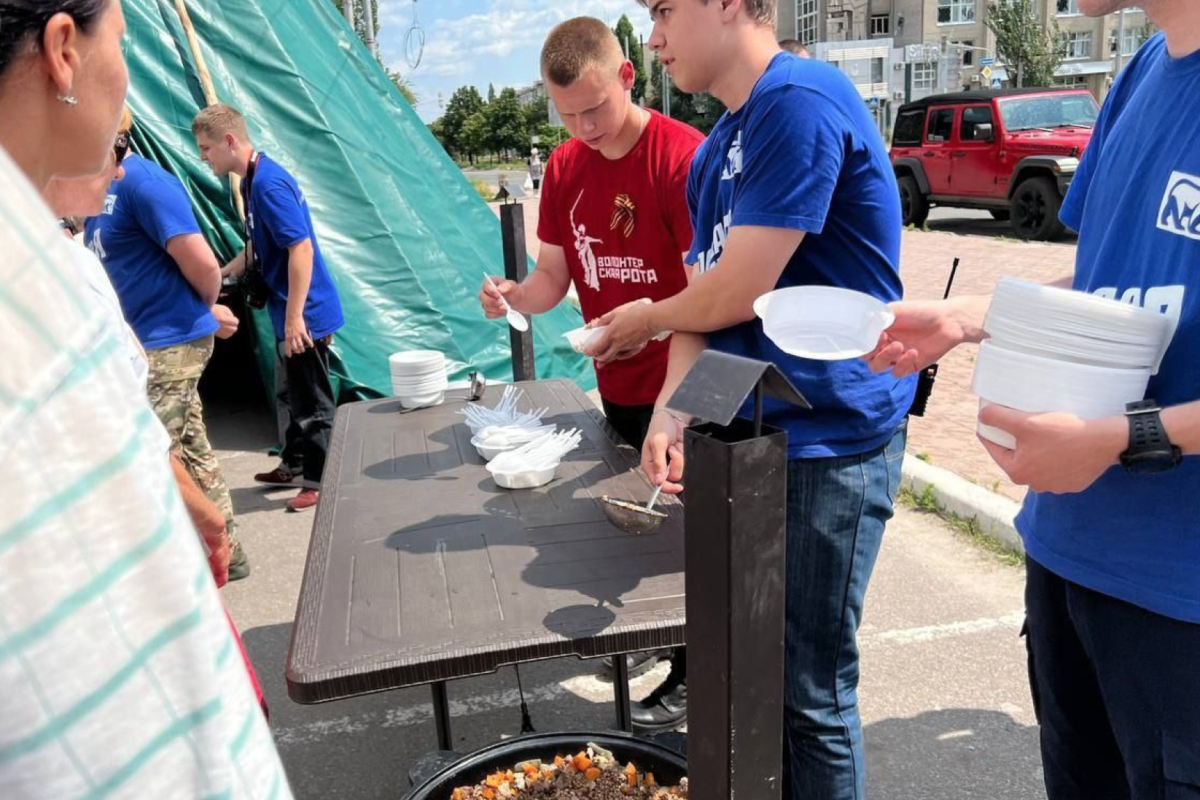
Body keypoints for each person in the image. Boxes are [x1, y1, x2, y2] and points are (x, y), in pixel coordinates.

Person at [867, 1, 1200, 797]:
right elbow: (1102, 281)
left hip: (1179, 599)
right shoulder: (1142, 74)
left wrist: (1121, 438)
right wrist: (967, 318)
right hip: (1069, 554)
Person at [590, 1, 913, 797]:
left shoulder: (798, 103)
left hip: (829, 445)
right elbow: (708, 305)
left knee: (810, 692)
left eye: (663, 10)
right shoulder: (717, 151)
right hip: (755, 439)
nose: (653, 36)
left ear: (732, 5)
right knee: (759, 678)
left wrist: (646, 317)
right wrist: (671, 410)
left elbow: (739, 288)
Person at [0, 0, 291, 796]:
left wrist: (211, 308)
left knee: (183, 429)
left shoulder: (114, 210)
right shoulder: (32, 265)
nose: (122, 73)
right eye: (121, 44)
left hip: (171, 339)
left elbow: (209, 263)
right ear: (64, 49)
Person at [477, 16, 704, 730]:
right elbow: (553, 276)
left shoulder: (682, 158)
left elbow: (711, 296)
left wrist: (650, 325)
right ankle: (663, 639)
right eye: (567, 115)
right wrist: (515, 296)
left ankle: (697, 669)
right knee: (642, 526)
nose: (583, 128)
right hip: (620, 390)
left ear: (628, 76)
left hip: (685, 388)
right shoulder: (569, 167)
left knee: (688, 538)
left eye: (595, 109)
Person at [83, 109, 250, 580]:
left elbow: (203, 266)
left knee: (152, 459)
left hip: (168, 343)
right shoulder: (103, 185)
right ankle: (228, 554)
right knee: (191, 453)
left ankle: (171, 578)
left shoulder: (145, 183)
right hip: (146, 340)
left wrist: (198, 312)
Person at [192, 103, 345, 513]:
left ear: (229, 140)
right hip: (287, 309)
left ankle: (319, 478)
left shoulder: (269, 185)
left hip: (304, 312)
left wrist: (296, 318)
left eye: (206, 148)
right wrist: (221, 274)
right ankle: (294, 463)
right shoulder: (249, 182)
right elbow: (258, 245)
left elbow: (301, 249)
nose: (203, 157)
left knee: (312, 399)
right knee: (290, 391)